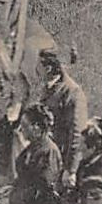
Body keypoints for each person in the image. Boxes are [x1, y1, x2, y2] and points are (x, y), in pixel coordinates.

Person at [36, 48, 88, 189]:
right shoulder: (47, 88)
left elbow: (77, 133)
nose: (36, 69)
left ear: (48, 68)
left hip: (61, 161)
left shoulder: (73, 93)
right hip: (47, 157)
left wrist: (71, 170)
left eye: (39, 66)